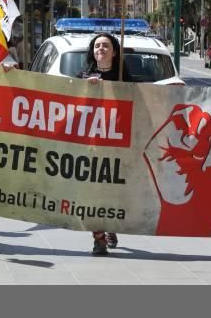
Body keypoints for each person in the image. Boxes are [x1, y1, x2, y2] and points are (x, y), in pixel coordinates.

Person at [77, 33, 132, 256]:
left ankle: (110, 225)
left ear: (115, 51)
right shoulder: (81, 76)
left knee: (111, 192)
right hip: (91, 146)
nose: (101, 49)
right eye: (97, 45)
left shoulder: (123, 78)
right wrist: (84, 87)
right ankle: (98, 239)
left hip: (117, 146)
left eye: (106, 45)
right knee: (93, 194)